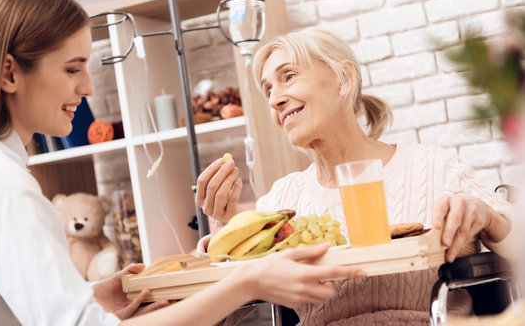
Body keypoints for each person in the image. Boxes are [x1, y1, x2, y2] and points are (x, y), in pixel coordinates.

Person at [0, 0, 366, 326]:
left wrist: (90, 297)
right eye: (72, 69)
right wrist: (244, 282)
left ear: (343, 79)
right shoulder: (4, 183)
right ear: (9, 74)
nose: (88, 88)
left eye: (289, 78)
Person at [195, 28, 519, 324]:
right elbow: (223, 315)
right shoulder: (282, 200)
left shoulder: (433, 167)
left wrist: (489, 216)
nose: (274, 99)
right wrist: (227, 227)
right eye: (267, 89)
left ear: (343, 78)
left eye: (288, 77)